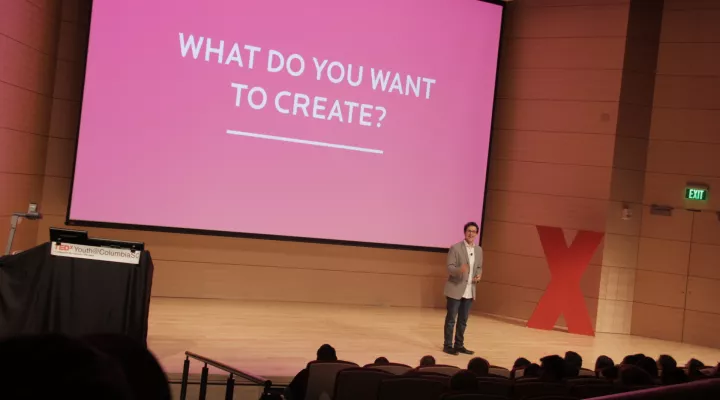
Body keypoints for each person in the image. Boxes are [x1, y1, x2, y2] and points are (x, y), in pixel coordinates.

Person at [443, 222, 482, 356]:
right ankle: (448, 345)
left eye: (474, 231)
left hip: (470, 290)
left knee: (463, 321)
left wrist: (478, 275)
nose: (471, 233)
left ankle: (459, 345)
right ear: (465, 232)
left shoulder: (479, 250)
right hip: (455, 288)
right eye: (469, 231)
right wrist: (460, 270)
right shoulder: (455, 248)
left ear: (477, 234)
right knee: (451, 319)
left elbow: (479, 267)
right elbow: (450, 267)